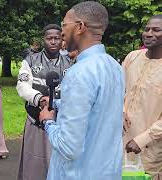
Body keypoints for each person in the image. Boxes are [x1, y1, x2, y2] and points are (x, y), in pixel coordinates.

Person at [39, 1, 125, 180]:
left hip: (77, 173)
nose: (62, 32)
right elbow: (99, 109)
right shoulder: (114, 66)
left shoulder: (79, 72)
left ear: (80, 27)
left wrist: (48, 123)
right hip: (106, 171)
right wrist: (60, 103)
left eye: (64, 24)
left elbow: (69, 147)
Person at [16, 24, 72, 180]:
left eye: (57, 38)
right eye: (49, 38)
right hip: (36, 121)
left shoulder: (71, 62)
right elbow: (22, 86)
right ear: (43, 40)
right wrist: (40, 99)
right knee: (34, 164)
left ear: (62, 40)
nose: (53, 42)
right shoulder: (30, 61)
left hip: (62, 123)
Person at [123, 14, 162, 180]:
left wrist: (143, 139)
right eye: (146, 29)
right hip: (119, 142)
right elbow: (117, 91)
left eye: (156, 30)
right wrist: (119, 111)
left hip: (149, 150)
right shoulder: (132, 57)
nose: (149, 33)